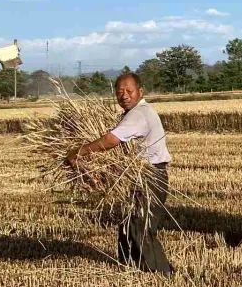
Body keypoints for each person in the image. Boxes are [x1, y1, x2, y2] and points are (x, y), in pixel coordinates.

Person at [67, 71, 173, 274]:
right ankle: (130, 269)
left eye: (129, 91)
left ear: (140, 91)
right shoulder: (133, 113)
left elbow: (110, 141)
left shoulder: (138, 115)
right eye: (120, 91)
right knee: (127, 226)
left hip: (150, 177)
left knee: (141, 228)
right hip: (140, 176)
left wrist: (79, 152)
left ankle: (160, 275)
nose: (124, 95)